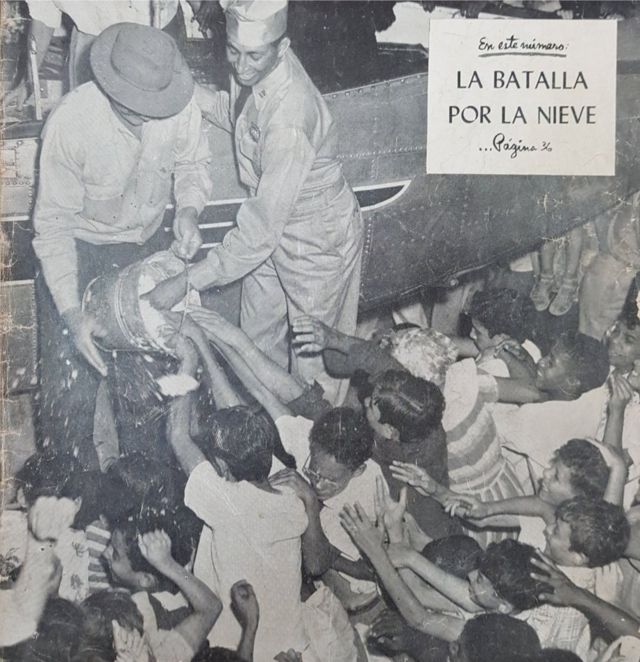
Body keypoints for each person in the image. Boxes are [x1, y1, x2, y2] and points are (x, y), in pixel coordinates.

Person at [146, 0, 364, 404]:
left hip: (314, 242)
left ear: (282, 48)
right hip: (271, 231)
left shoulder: (290, 117)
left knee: (312, 367)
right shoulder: (255, 70)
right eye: (233, 51)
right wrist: (182, 90)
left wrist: (186, 280)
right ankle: (266, 433)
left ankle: (318, 454)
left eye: (252, 55)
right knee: (257, 338)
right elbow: (241, 116)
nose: (240, 66)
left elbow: (261, 229)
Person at [31, 22, 212, 461]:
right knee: (67, 384)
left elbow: (193, 165)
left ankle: (143, 501)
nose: (148, 114)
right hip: (80, 252)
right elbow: (52, 227)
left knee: (146, 385)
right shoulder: (71, 123)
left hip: (142, 247)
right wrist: (72, 316)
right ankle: (67, 497)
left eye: (155, 105)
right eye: (134, 107)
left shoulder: (180, 106)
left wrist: (188, 211)